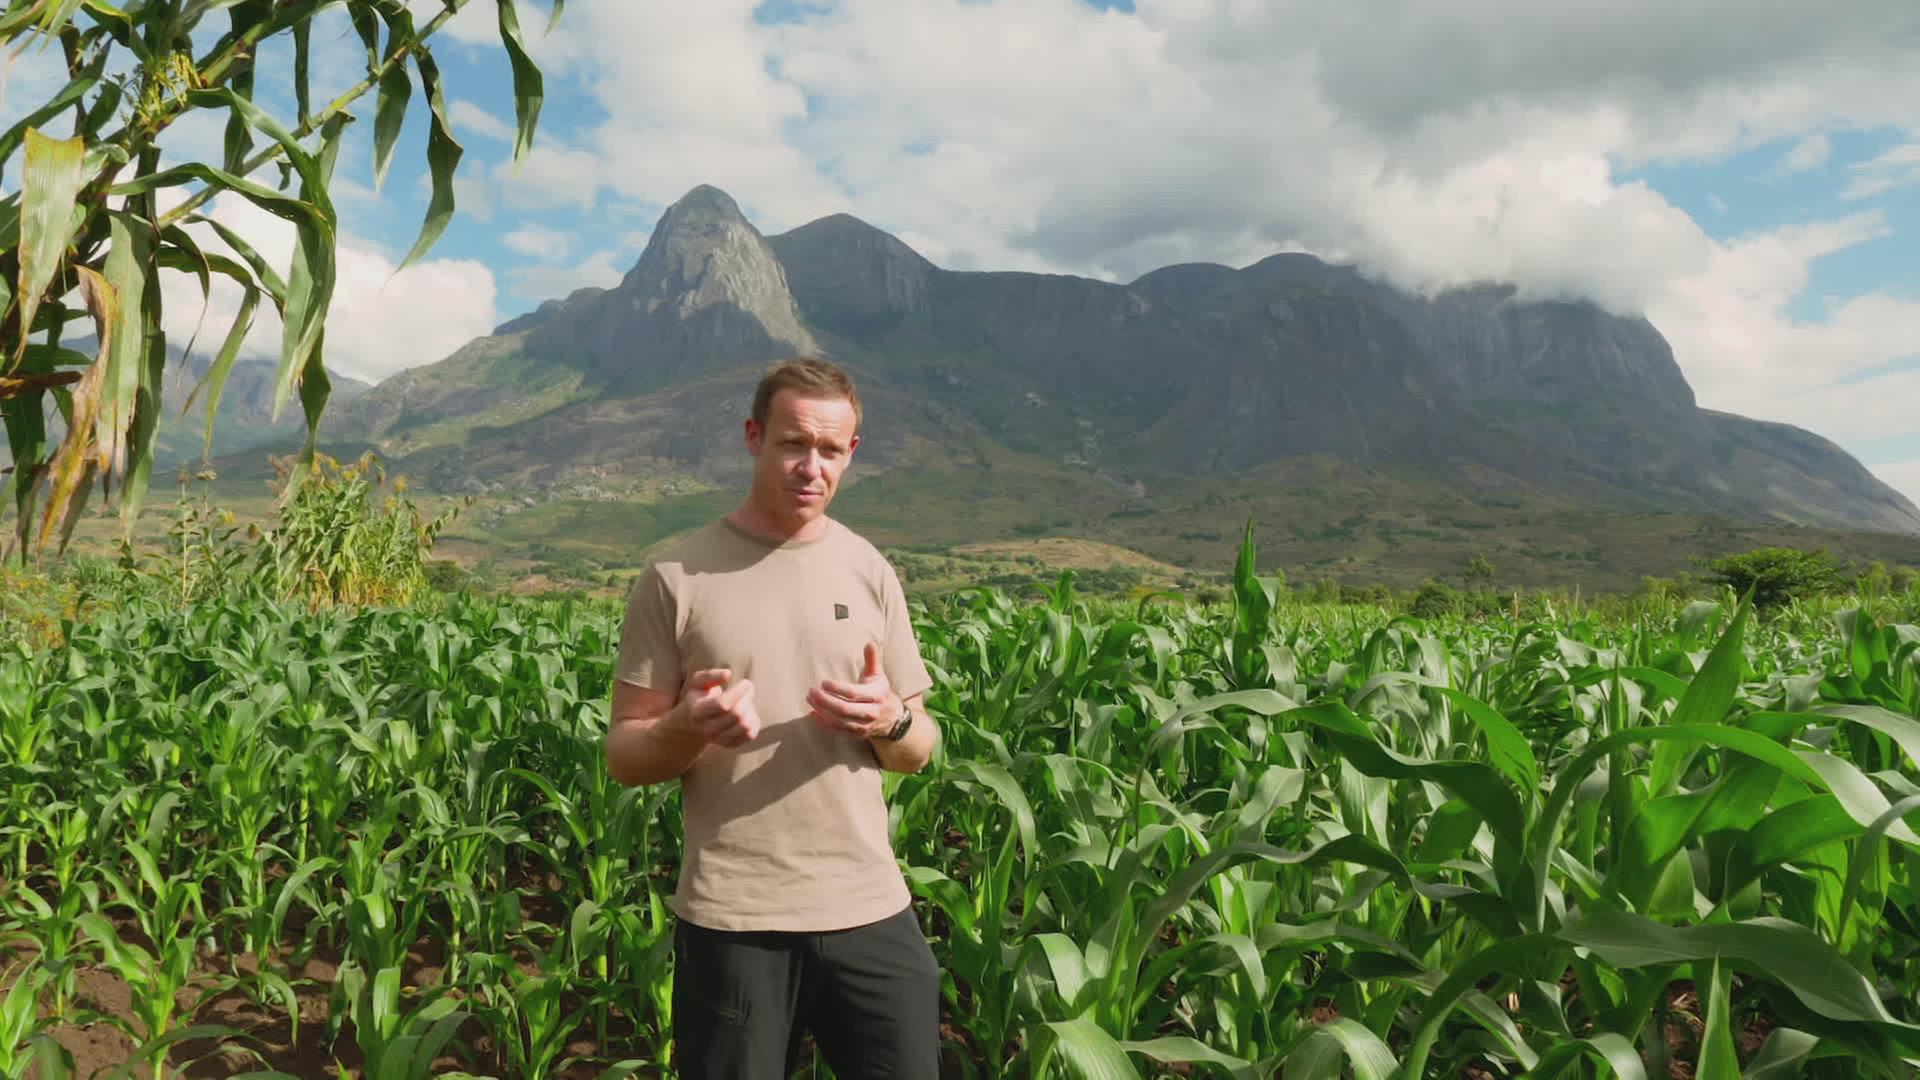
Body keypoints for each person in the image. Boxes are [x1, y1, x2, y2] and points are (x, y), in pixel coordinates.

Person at [604, 357, 943, 1079]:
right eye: (794, 443)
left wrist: (890, 721)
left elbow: (919, 747)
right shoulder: (677, 578)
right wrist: (687, 727)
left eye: (829, 450)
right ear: (754, 437)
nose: (810, 467)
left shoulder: (869, 569)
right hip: (737, 917)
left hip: (869, 907)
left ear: (852, 453)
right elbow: (625, 756)